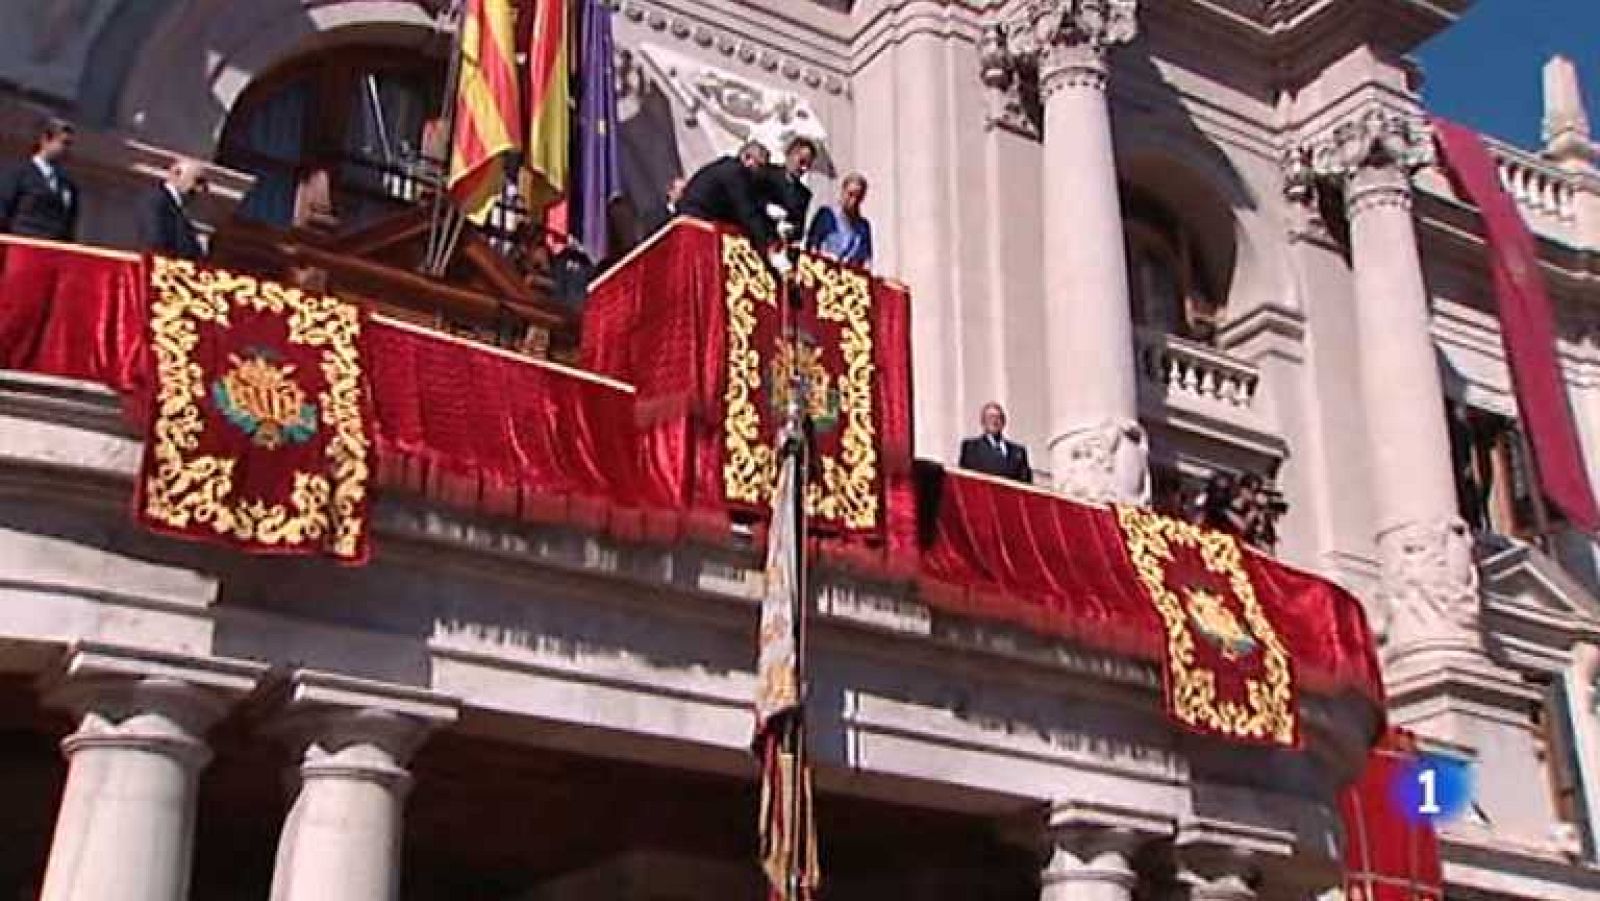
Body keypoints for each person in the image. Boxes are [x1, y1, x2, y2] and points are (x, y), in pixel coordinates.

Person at [677, 140, 778, 250]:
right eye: (760, 166)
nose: (761, 172)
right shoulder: (734, 172)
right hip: (697, 222)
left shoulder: (728, 168)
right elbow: (747, 211)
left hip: (697, 219)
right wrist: (769, 240)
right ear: (747, 158)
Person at [0, 117, 79, 241]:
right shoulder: (19, 174)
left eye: (70, 145)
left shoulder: (68, 184)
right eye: (64, 143)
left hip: (53, 251)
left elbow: (69, 225)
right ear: (45, 139)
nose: (67, 149)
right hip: (24, 247)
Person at [137, 159, 207, 259]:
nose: (200, 189)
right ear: (176, 174)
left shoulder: (178, 206)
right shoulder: (156, 200)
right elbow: (155, 242)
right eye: (198, 181)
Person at [805, 172, 873, 267]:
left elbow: (866, 260)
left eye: (858, 197)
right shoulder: (826, 215)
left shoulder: (863, 227)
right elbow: (812, 247)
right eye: (850, 194)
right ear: (843, 191)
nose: (853, 201)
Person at [957, 402, 1032, 484]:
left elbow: (1026, 483)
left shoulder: (1018, 452)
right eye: (990, 417)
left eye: (998, 417)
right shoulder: (971, 448)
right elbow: (964, 479)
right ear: (983, 422)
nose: (994, 421)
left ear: (1003, 422)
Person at [762, 137, 816, 239]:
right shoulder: (767, 174)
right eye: (802, 162)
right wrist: (766, 207)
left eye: (808, 165)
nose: (804, 168)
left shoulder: (804, 194)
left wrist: (791, 230)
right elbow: (748, 202)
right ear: (790, 154)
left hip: (779, 245)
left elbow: (799, 230)